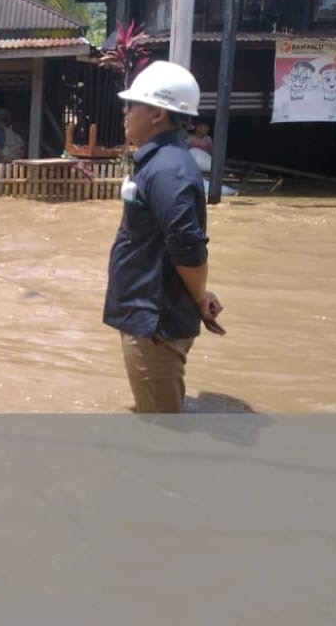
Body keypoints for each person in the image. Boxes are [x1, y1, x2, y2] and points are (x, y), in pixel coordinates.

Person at [104, 61, 226, 413]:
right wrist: (200, 293)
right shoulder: (160, 163)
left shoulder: (168, 170)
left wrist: (200, 295)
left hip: (154, 323)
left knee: (161, 433)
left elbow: (188, 248)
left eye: (132, 106)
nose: (125, 114)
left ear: (157, 113)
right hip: (148, 313)